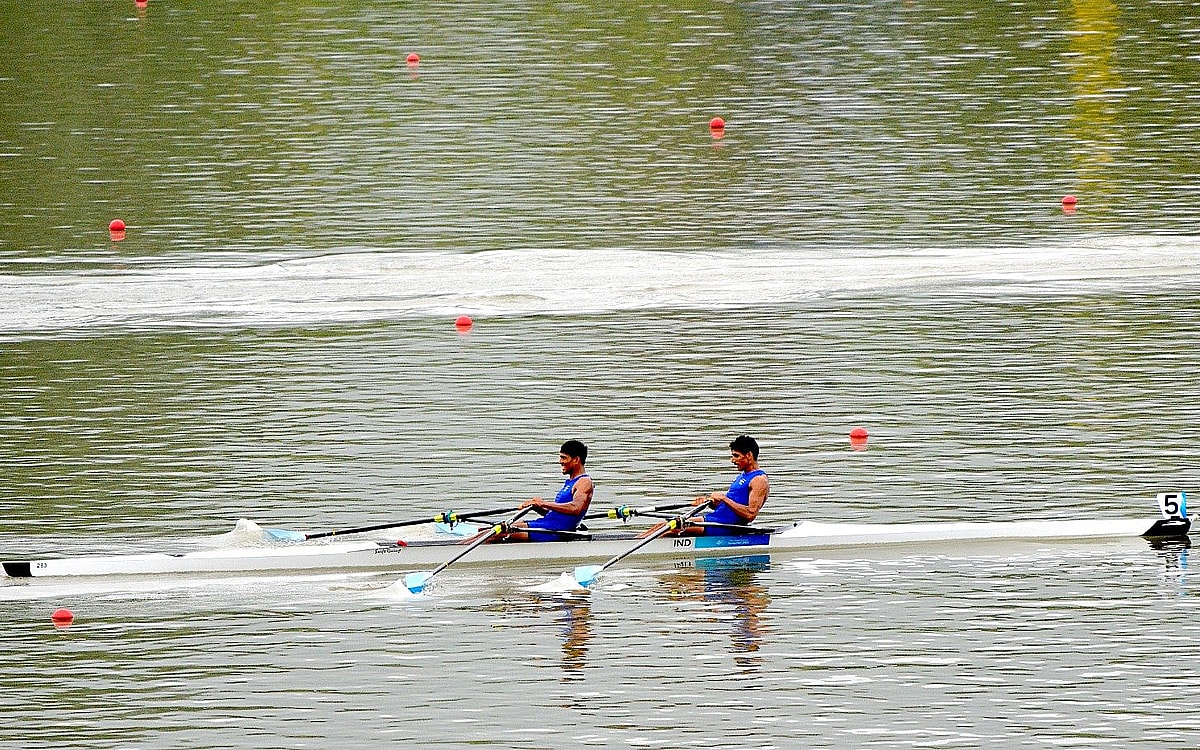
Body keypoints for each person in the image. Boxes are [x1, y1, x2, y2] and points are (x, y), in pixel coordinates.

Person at [641, 435, 769, 537]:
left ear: (749, 455)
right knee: (663, 525)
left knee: (672, 528)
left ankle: (636, 547)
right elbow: (729, 508)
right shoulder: (743, 476)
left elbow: (750, 514)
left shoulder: (759, 480)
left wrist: (724, 498)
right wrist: (711, 502)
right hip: (714, 519)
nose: (732, 460)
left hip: (724, 526)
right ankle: (634, 540)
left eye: (736, 456)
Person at [486, 440, 594, 543]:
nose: (560, 461)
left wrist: (543, 503)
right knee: (489, 530)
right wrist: (538, 507)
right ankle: (471, 542)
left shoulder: (584, 482)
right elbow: (559, 514)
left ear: (576, 460)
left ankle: (471, 549)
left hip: (555, 531)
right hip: (547, 524)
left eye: (564, 458)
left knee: (497, 532)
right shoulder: (571, 482)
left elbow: (576, 508)